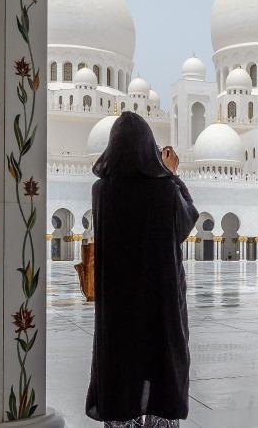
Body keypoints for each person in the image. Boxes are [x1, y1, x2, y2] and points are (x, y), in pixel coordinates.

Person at [85, 112, 199, 427]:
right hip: (159, 301)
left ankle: (122, 417)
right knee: (161, 359)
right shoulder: (163, 190)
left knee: (121, 362)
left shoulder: (102, 191)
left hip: (118, 303)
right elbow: (187, 221)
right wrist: (172, 174)